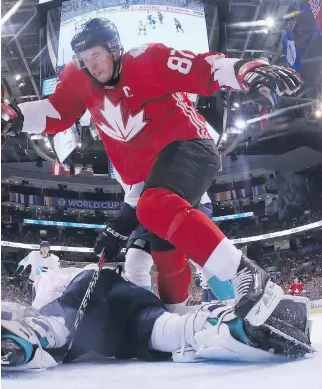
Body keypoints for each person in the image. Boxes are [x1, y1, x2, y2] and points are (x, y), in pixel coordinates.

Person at [1, 17, 303, 327]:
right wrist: (13, 116)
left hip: (189, 144)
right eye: (84, 58)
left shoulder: (146, 60)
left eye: (96, 54)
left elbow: (204, 68)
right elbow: (57, 111)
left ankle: (247, 274)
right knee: (163, 251)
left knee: (154, 205)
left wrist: (246, 70)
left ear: (115, 49)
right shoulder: (79, 81)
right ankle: (175, 320)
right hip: (149, 177)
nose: (91, 64)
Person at [1, 265, 313, 371]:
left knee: (55, 325)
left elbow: (52, 310)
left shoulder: (48, 282)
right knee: (169, 329)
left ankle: (29, 337)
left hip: (83, 295)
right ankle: (224, 324)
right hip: (126, 298)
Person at [114, 167, 235, 309]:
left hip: (186, 198)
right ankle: (146, 319)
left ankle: (239, 312)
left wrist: (122, 222)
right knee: (136, 261)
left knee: (204, 260)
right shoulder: (114, 153)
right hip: (144, 207)